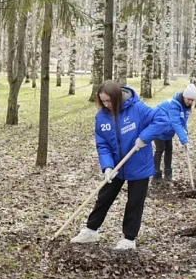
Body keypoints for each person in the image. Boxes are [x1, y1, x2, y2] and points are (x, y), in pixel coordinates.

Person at [71, 81, 167, 250]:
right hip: (116, 165)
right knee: (104, 197)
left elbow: (162, 120)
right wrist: (107, 166)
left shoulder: (137, 108)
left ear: (117, 97)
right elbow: (103, 145)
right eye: (103, 101)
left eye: (109, 101)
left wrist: (144, 137)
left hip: (139, 165)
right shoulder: (102, 117)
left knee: (134, 202)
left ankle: (129, 239)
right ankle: (91, 230)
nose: (106, 105)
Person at [152, 84, 196, 183]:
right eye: (189, 99)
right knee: (160, 149)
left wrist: (185, 131)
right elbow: (175, 123)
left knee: (169, 150)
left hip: (168, 131)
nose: (190, 102)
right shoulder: (174, 105)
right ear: (184, 96)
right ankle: (156, 175)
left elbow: (183, 121)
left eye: (192, 100)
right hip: (159, 127)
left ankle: (168, 175)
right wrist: (184, 140)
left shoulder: (185, 107)